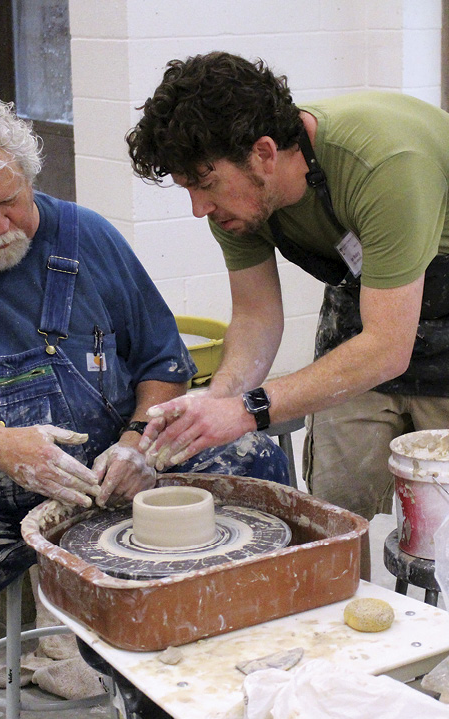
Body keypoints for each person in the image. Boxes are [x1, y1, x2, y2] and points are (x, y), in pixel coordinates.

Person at [0, 88, 287, 719]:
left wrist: (140, 440)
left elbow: (163, 362)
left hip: (110, 482)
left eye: (11, 201)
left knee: (255, 463)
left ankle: (211, 701)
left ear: (29, 176)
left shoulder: (87, 237)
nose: (1, 226)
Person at [126, 51, 449, 537]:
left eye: (205, 184)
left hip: (407, 328)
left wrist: (248, 410)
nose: (198, 208)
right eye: (187, 188)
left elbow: (388, 346)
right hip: (363, 325)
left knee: (438, 543)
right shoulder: (238, 205)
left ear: (264, 153)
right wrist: (217, 400)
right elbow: (256, 317)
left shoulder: (382, 163)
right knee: (336, 523)